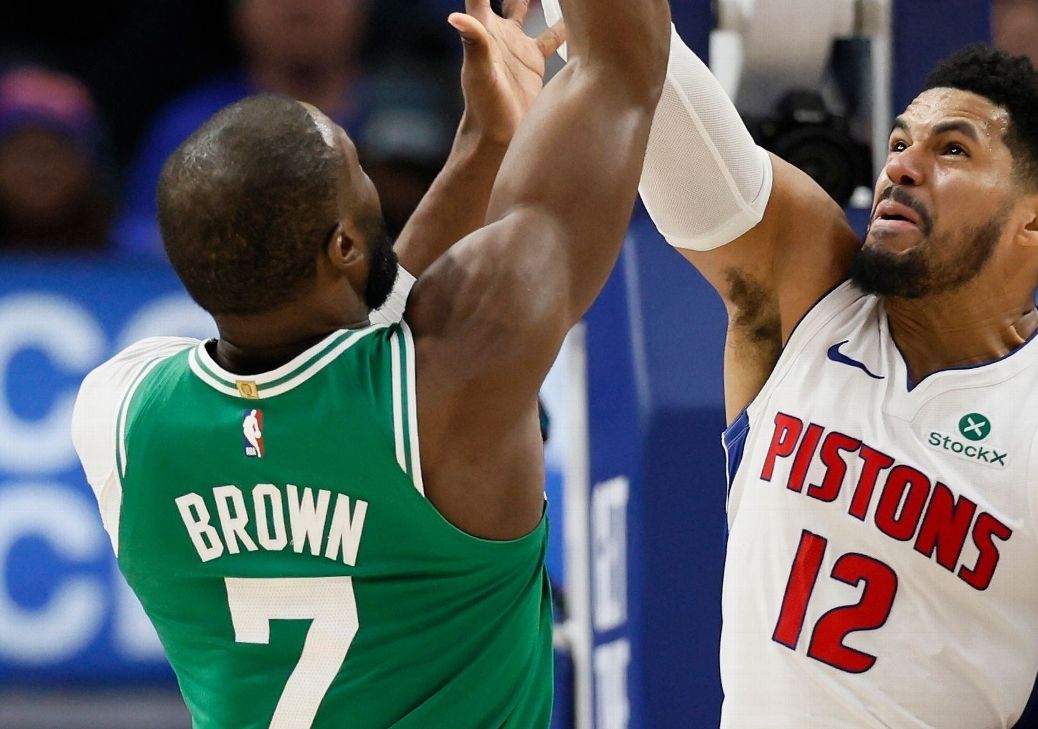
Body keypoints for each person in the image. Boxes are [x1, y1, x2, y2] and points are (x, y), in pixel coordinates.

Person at [545, 2, 1038, 724]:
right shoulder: (801, 291)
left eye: (951, 150)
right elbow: (645, 71)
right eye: (900, 141)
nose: (900, 166)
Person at [70, 0, 670, 725]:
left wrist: (486, 143)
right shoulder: (450, 381)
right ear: (345, 246)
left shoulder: (119, 412)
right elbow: (622, 73)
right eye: (355, 168)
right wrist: (513, 130)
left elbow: (362, 334)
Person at [113, 0, 375, 256]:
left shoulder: (393, 114)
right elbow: (140, 244)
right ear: (239, 11)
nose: (300, 7)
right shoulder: (193, 129)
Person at [0, 65, 111, 252]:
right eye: (24, 155)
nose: (38, 170)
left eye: (50, 154)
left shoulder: (130, 246)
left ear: (86, 164)